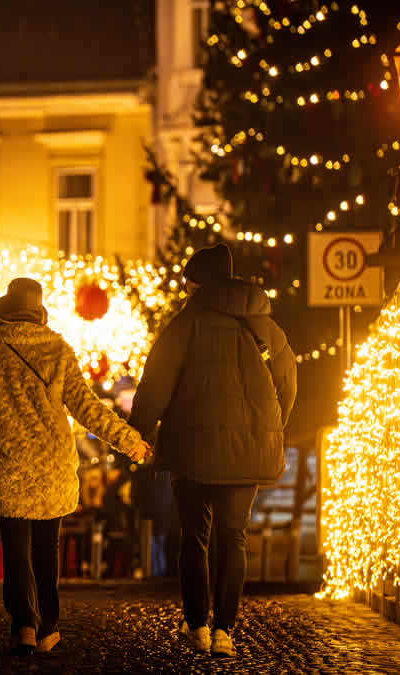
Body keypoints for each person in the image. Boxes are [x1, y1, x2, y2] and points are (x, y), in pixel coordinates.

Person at [0, 277, 150, 656]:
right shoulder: (58, 349)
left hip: (7, 464)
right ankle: (47, 626)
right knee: (46, 547)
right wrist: (130, 442)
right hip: (51, 466)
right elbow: (87, 407)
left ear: (5, 311)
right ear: (39, 311)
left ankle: (23, 624)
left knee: (14, 549)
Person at [128, 244, 296, 658]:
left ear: (198, 282)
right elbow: (289, 382)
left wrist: (137, 435)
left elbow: (156, 384)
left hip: (192, 449)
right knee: (234, 537)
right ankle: (225, 631)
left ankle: (198, 624)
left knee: (194, 538)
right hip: (251, 445)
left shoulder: (186, 324)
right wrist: (270, 427)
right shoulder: (266, 326)